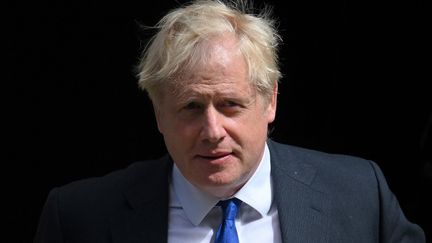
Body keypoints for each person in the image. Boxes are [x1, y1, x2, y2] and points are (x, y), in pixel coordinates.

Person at [34, 0, 425, 242]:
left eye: (230, 104)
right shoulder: (78, 217)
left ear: (269, 102)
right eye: (190, 107)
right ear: (158, 114)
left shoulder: (359, 196)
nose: (212, 131)